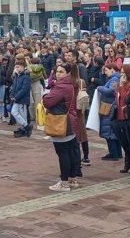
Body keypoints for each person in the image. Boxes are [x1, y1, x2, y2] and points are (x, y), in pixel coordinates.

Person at [43, 62, 82, 191]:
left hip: (62, 122)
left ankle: (64, 182)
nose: (58, 74)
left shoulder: (62, 86)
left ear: (68, 73)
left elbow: (48, 102)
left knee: (63, 153)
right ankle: (72, 178)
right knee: (71, 152)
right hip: (71, 120)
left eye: (61, 72)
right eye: (57, 72)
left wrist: (45, 95)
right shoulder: (73, 84)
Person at [111, 64, 130, 173]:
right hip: (119, 117)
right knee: (124, 142)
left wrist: (121, 86)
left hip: (128, 118)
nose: (121, 75)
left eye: (123, 73)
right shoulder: (122, 86)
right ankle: (128, 163)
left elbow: (127, 99)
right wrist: (119, 87)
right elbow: (118, 100)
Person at [96, 63, 122, 160]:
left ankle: (113, 153)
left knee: (109, 130)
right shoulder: (113, 78)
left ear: (112, 69)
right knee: (113, 131)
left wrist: (99, 88)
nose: (105, 72)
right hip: (110, 105)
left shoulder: (114, 79)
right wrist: (102, 74)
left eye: (106, 70)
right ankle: (117, 152)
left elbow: (111, 91)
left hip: (109, 106)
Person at [11, 60, 33, 138]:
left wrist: (16, 97)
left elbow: (25, 89)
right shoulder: (17, 75)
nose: (16, 68)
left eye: (18, 67)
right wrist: (12, 95)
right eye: (16, 67)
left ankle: (25, 128)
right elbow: (14, 86)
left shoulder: (26, 76)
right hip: (16, 99)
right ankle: (26, 127)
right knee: (15, 112)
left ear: (23, 67)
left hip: (22, 99)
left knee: (21, 115)